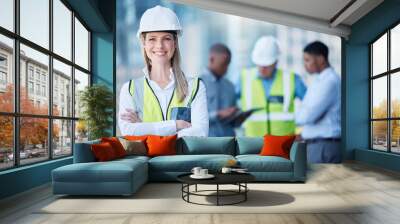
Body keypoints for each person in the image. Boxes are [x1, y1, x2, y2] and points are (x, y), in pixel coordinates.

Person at [118, 5, 209, 137]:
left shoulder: (195, 87)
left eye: (166, 38)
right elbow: (128, 131)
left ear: (175, 42)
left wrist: (144, 127)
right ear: (143, 42)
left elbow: (200, 133)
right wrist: (175, 125)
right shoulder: (130, 89)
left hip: (184, 158)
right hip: (147, 159)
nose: (159, 46)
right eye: (152, 39)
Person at [239, 36, 307, 137]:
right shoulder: (244, 78)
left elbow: (312, 107)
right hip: (253, 145)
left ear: (275, 62)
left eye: (266, 65)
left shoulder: (292, 79)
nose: (262, 68)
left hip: (284, 145)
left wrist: (302, 132)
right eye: (259, 63)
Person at [296, 41, 341, 163]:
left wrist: (300, 114)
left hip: (323, 146)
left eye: (307, 60)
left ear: (321, 59)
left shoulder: (329, 81)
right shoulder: (319, 81)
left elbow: (308, 116)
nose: (305, 65)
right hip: (317, 145)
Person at [201, 43, 237, 137]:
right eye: (223, 64)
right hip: (207, 143)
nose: (226, 68)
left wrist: (237, 116)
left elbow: (233, 121)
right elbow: (191, 119)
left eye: (228, 64)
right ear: (211, 59)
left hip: (229, 142)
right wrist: (218, 114)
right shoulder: (197, 84)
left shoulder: (230, 86)